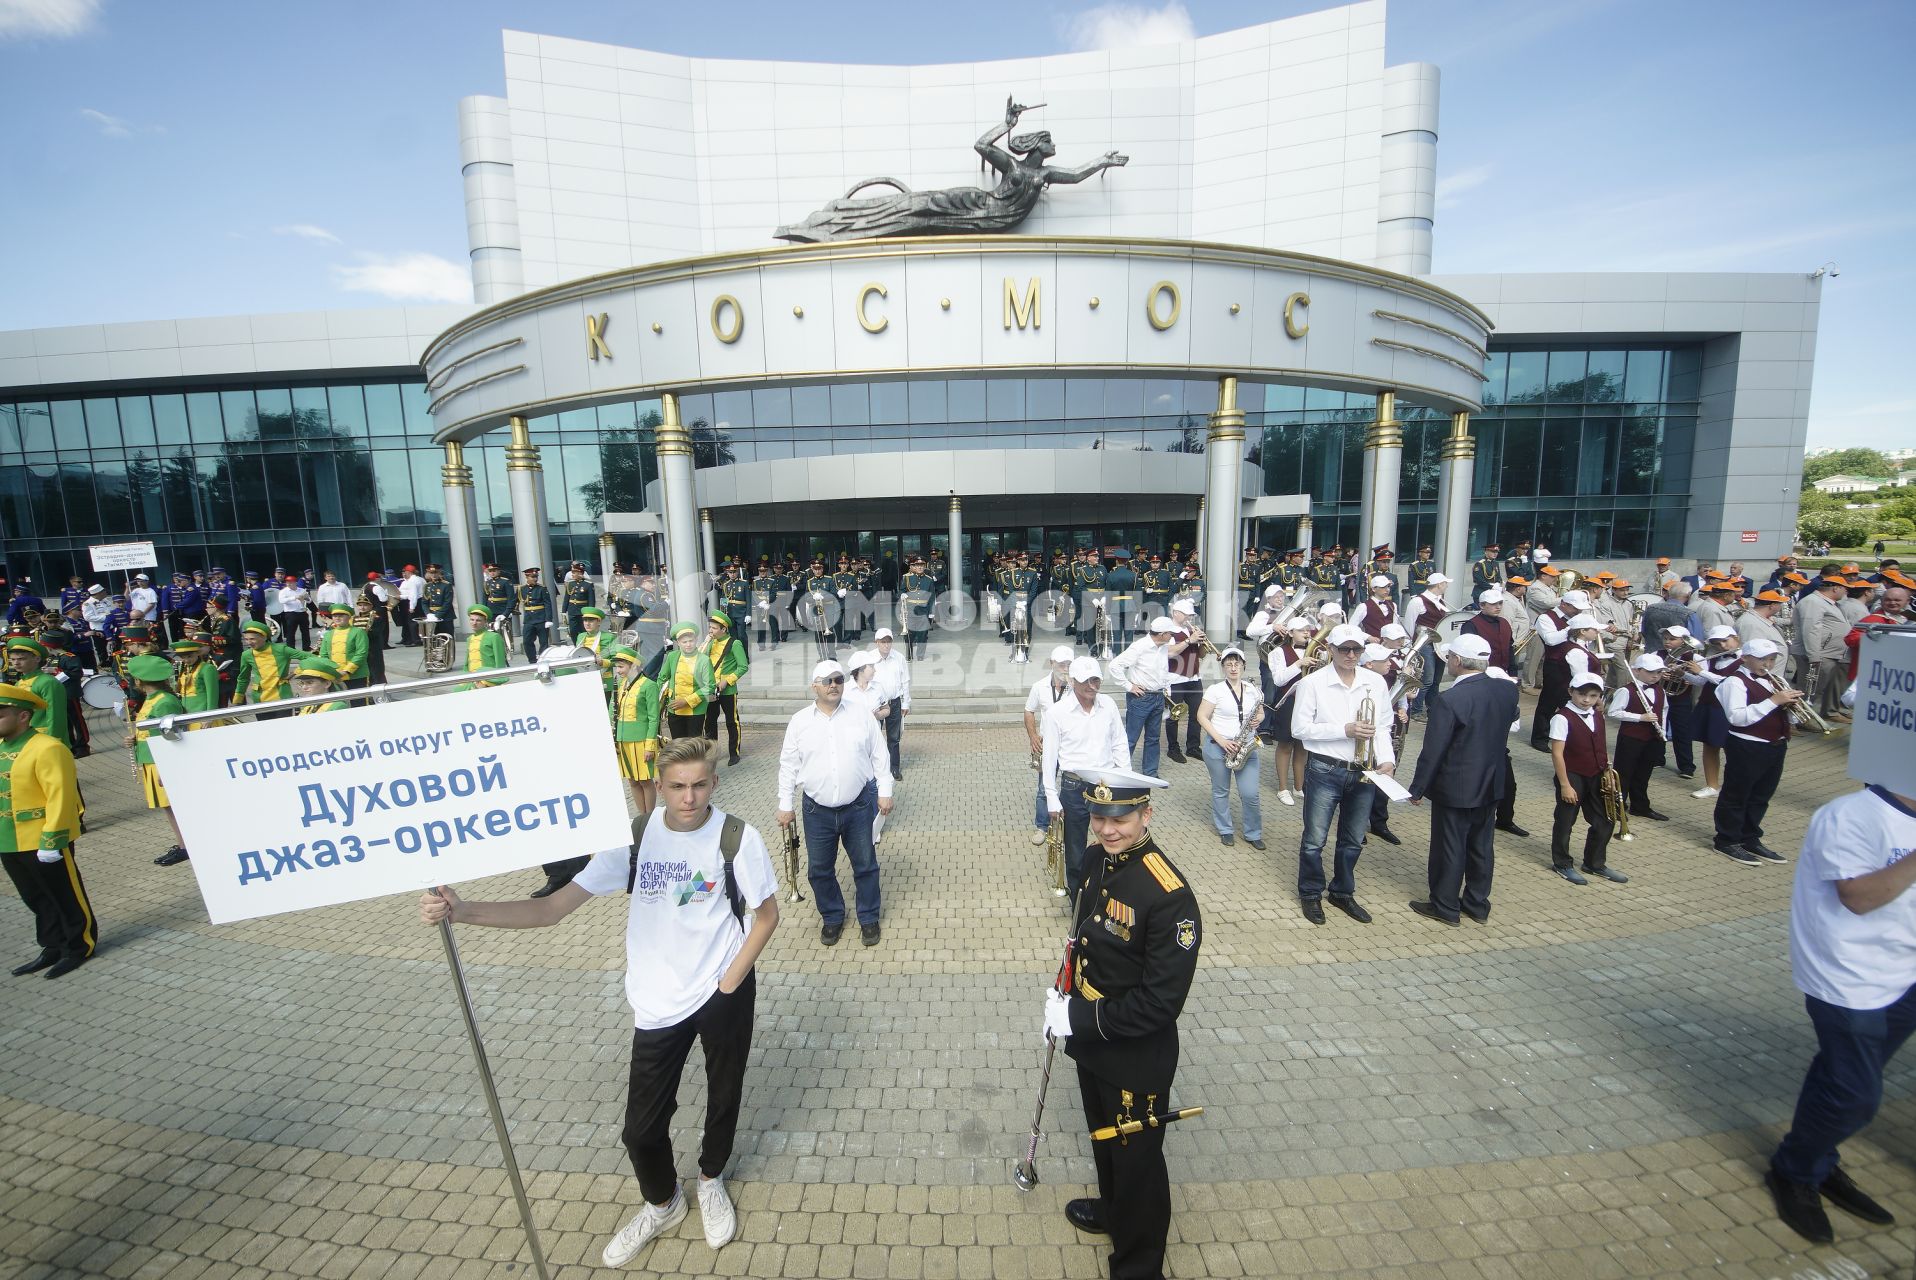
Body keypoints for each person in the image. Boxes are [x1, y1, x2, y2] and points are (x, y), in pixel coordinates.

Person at [419, 735, 779, 1268]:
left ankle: (710, 1178)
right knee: (640, 1130)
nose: (689, 797)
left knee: (724, 1095)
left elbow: (766, 915)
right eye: (677, 786)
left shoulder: (737, 838)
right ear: (657, 786)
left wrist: (729, 983)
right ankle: (663, 1204)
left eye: (700, 784)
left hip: (722, 988)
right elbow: (551, 911)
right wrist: (463, 910)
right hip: (657, 1000)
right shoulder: (634, 840)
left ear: (714, 783)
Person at [1042, 766, 1198, 1280]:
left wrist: (1079, 1016)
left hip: (1134, 1056)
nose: (1108, 828)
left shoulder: (1169, 895)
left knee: (1138, 1168)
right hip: (1092, 1041)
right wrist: (1065, 995)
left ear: (1146, 815)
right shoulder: (1094, 859)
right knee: (1103, 1137)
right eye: (1099, 815)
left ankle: (1138, 1264)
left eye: (1122, 817)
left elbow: (1160, 1004)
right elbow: (1083, 935)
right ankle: (1114, 1213)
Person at [1763, 783, 1915, 1244]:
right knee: (1855, 1095)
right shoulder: (1848, 814)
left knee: (1839, 1075)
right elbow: (1858, 896)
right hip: (1848, 978)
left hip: (1904, 970)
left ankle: (1816, 1160)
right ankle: (1794, 1170)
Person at [1406, 633, 1519, 925]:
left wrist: (1418, 788)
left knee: (1450, 847)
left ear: (1455, 661)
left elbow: (1434, 750)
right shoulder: (1507, 691)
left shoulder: (1450, 699)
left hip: (1456, 786)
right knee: (1482, 845)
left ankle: (1445, 906)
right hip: (1492, 781)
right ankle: (1477, 904)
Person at [777, 660, 893, 946]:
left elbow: (880, 753)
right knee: (819, 869)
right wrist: (785, 803)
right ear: (814, 686)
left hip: (858, 806)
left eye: (838, 680)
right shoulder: (800, 721)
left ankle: (868, 917)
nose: (833, 685)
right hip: (817, 811)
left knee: (865, 865)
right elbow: (788, 765)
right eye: (827, 680)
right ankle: (832, 917)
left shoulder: (861, 715)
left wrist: (885, 790)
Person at [1291, 623, 1396, 925]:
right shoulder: (1313, 684)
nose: (1351, 655)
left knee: (1353, 839)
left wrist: (1387, 760)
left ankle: (1342, 891)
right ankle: (1310, 893)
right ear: (1331, 651)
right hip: (1326, 768)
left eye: (1357, 649)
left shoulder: (1375, 682)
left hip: (1364, 770)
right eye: (1344, 649)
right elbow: (1299, 730)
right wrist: (1345, 730)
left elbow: (1384, 726)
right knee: (1315, 838)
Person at [0, 681, 91, 980]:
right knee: (35, 897)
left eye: (1, 713)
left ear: (23, 716)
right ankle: (53, 945)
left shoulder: (48, 747)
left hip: (42, 838)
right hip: (8, 837)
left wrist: (52, 838)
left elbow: (61, 795)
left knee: (64, 894)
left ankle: (79, 945)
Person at [1042, 656, 1131, 894]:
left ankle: (1113, 894)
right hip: (1074, 787)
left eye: (1096, 680)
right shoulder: (1056, 712)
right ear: (1072, 681)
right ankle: (1080, 904)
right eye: (1085, 681)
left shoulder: (1108, 705)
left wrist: (1126, 781)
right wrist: (1051, 796)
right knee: (1075, 851)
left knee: (1116, 841)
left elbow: (1119, 743)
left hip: (1107, 784)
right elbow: (1049, 758)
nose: (1092, 686)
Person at [1711, 637, 1800, 866]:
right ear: (1745, 658)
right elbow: (1738, 717)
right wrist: (1773, 701)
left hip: (1776, 744)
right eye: (1761, 659)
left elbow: (1784, 712)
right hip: (1747, 744)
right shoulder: (1734, 682)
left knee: (1761, 795)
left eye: (1771, 659)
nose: (1767, 664)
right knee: (1737, 794)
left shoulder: (1776, 679)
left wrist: (1792, 709)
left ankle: (1750, 837)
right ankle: (1727, 840)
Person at [1547, 673, 1628, 886]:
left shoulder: (1597, 714)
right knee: (1566, 821)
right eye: (1581, 694)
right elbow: (1557, 753)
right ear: (1571, 692)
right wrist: (1565, 784)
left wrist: (1608, 773)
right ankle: (1562, 863)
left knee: (1606, 819)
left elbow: (1601, 746)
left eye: (1593, 695)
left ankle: (1594, 862)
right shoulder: (1562, 717)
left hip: (1597, 774)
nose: (1586, 700)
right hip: (1572, 774)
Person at [125, 653, 192, 866]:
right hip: (149, 759)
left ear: (140, 680)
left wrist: (166, 767)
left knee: (175, 806)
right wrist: (134, 739)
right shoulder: (152, 699)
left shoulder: (164, 701)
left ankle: (187, 845)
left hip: (159, 760)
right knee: (168, 806)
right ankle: (183, 845)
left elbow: (169, 737)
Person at [1196, 647, 1263, 849]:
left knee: (1250, 793)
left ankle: (1253, 833)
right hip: (1219, 746)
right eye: (1228, 664)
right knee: (1221, 791)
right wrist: (1222, 741)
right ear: (1223, 667)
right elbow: (1201, 716)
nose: (1233, 668)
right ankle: (1225, 830)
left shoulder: (1253, 689)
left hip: (1246, 746)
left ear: (1243, 665)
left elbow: (1260, 713)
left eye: (1237, 664)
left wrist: (1259, 719)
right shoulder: (1215, 690)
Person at [1107, 617, 1181, 777]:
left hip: (1157, 695)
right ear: (1162, 634)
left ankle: (1150, 773)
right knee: (1131, 737)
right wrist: (1129, 686)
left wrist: (1165, 688)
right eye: (1170, 634)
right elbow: (1114, 665)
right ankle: (1120, 772)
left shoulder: (1162, 646)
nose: (1172, 637)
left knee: (1153, 737)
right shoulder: (1140, 647)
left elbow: (1162, 670)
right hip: (1141, 698)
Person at [1608, 653, 1671, 823]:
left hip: (1652, 738)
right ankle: (1617, 807)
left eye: (1658, 672)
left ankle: (1640, 806)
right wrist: (1640, 717)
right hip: (1631, 738)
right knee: (1624, 773)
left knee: (1643, 774)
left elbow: (1663, 710)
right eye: (1651, 672)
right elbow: (1613, 712)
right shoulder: (1626, 690)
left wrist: (1662, 730)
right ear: (1636, 671)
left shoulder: (1660, 690)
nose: (1655, 675)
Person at [1024, 646, 1075, 852]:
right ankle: (1042, 827)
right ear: (1051, 663)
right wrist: (1033, 737)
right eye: (1061, 664)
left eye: (1069, 665)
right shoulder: (1039, 686)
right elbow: (1029, 711)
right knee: (1044, 788)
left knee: (1073, 786)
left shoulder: (1076, 686)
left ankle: (1070, 823)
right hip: (1048, 744)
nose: (1065, 668)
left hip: (1072, 743)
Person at [1265, 615, 1319, 807]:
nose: (1307, 633)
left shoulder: (1316, 650)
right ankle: (1282, 788)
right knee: (1286, 745)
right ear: (1290, 633)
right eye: (1302, 630)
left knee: (1302, 746)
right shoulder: (1278, 652)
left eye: (1308, 629)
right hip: (1288, 702)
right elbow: (1279, 680)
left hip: (1309, 703)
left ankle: (1299, 787)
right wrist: (1298, 664)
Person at [700, 613, 749, 766]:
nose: (711, 631)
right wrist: (705, 643)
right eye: (710, 627)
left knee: (731, 721)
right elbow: (700, 660)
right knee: (709, 722)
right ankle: (712, 753)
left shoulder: (734, 644)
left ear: (724, 629)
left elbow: (743, 667)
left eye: (714, 628)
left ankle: (734, 753)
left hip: (727, 689)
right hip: (711, 688)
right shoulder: (711, 643)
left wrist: (727, 680)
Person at [1160, 600, 1206, 764]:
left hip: (1193, 678)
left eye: (1191, 615)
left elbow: (1201, 655)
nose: (1189, 618)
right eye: (1187, 615)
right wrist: (1189, 641)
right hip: (1175, 679)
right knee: (1174, 715)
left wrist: (1202, 643)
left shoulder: (1191, 630)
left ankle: (1193, 747)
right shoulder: (1168, 631)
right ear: (1176, 613)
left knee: (1197, 714)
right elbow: (1170, 653)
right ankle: (1173, 748)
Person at [233, 620, 307, 714]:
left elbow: (309, 657)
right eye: (246, 639)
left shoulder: (281, 649)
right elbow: (243, 678)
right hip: (260, 699)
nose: (249, 643)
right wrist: (237, 700)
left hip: (282, 697)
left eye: (252, 639)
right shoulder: (246, 655)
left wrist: (296, 672)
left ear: (264, 637)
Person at [658, 624, 716, 741]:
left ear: (696, 640)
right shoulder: (672, 656)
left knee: (694, 745)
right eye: (684, 642)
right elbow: (661, 678)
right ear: (678, 643)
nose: (688, 644)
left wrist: (686, 701)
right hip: (674, 708)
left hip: (696, 710)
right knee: (678, 744)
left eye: (691, 641)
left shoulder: (704, 660)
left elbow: (710, 686)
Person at [869, 628, 910, 780]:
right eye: (883, 642)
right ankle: (875, 769)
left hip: (894, 702)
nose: (886, 645)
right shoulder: (869, 659)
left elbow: (905, 680)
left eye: (889, 642)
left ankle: (894, 768)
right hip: (876, 704)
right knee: (874, 736)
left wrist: (906, 702)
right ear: (877, 643)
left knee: (894, 737)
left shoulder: (898, 658)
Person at [459, 605, 509, 690]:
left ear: (485, 622)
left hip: (487, 680)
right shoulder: (469, 639)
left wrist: (496, 680)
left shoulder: (494, 637)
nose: (474, 623)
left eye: (478, 620)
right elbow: (466, 664)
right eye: (472, 620)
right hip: (471, 680)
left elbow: (500, 662)